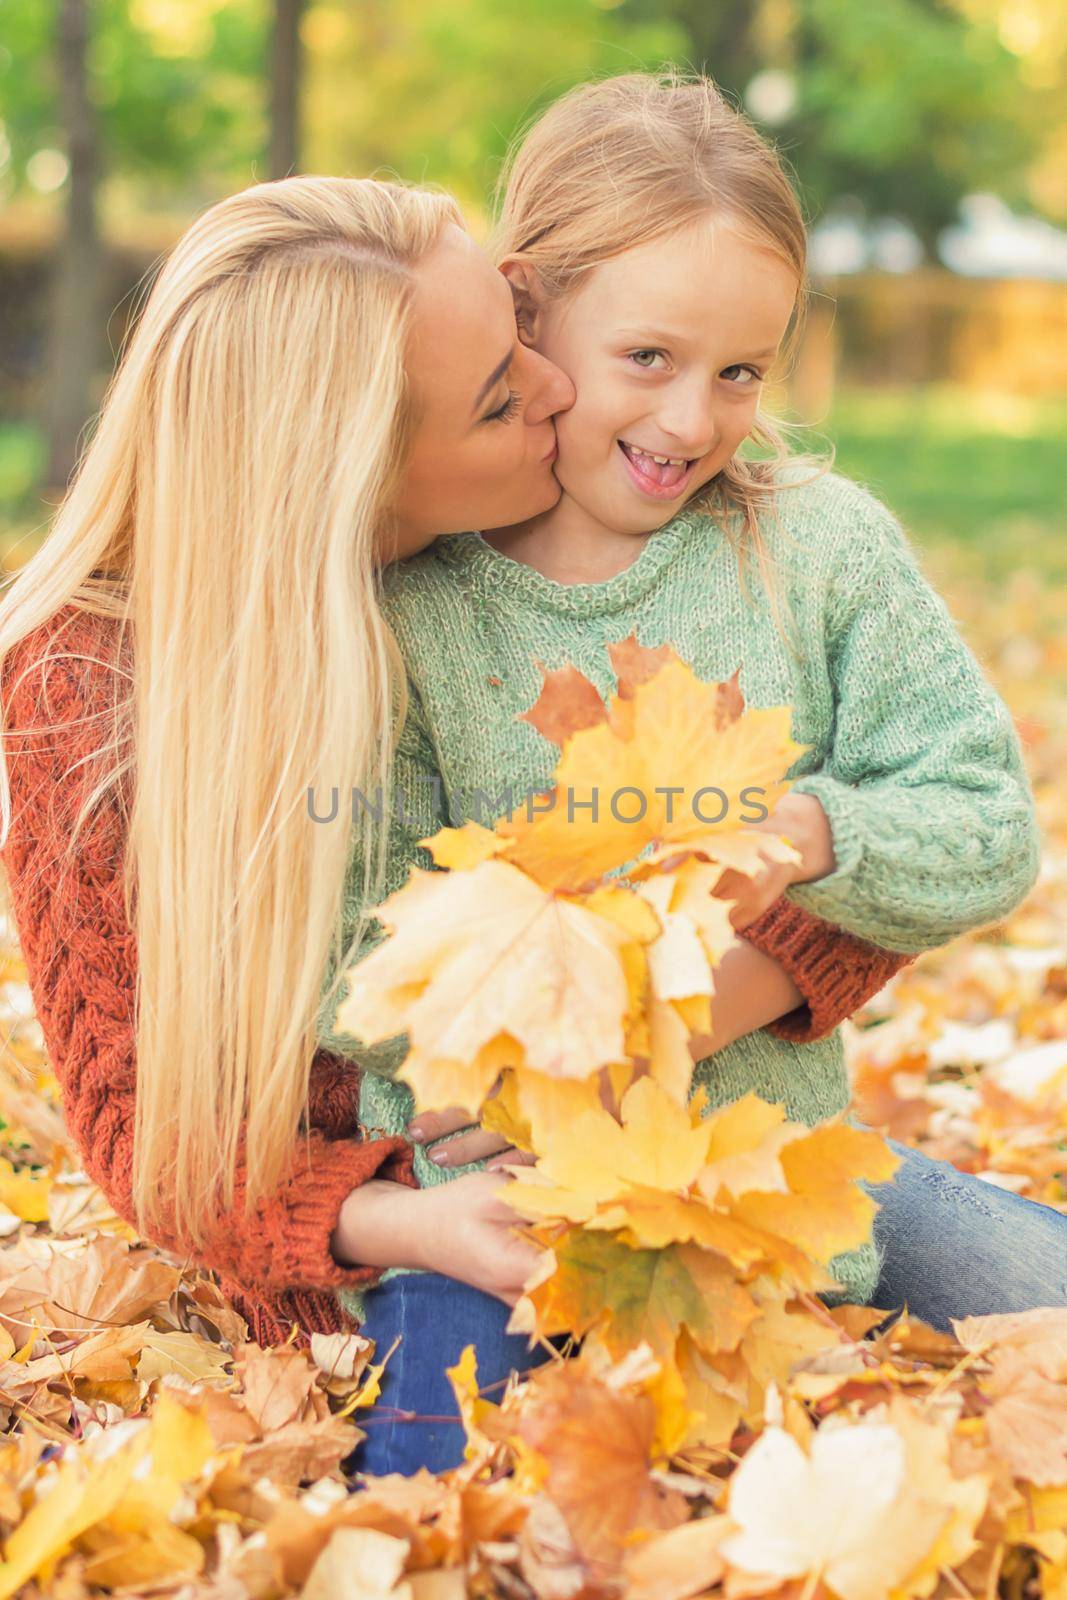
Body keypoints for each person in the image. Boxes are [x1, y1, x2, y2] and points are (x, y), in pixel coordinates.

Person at [0, 173, 904, 1378]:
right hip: (410, 1247)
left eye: (520, 325)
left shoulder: (558, 533)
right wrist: (406, 1220)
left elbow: (879, 834)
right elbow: (141, 1129)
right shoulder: (82, 680)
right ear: (352, 482)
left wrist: (667, 1024)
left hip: (692, 1147)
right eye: (497, 398)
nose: (557, 387)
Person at [321, 74, 1060, 1475]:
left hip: (778, 1179)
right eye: (646, 357)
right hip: (506, 1204)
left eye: (740, 372)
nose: (692, 419)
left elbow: (980, 823)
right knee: (434, 1477)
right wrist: (544, 1057)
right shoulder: (416, 600)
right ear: (527, 315)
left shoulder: (815, 547)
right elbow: (350, 949)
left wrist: (818, 827)